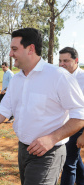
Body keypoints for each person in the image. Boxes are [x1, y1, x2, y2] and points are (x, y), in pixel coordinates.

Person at [0, 28, 84, 185]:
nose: (10, 54)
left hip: (48, 153)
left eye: (14, 49)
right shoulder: (17, 79)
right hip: (23, 149)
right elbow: (4, 109)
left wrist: (52, 138)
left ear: (31, 49)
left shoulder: (58, 76)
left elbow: (80, 115)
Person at [59, 47, 84, 185]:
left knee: (68, 163)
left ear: (76, 61)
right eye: (60, 61)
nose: (62, 64)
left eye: (66, 60)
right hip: (64, 125)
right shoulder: (61, 77)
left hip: (78, 126)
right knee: (74, 157)